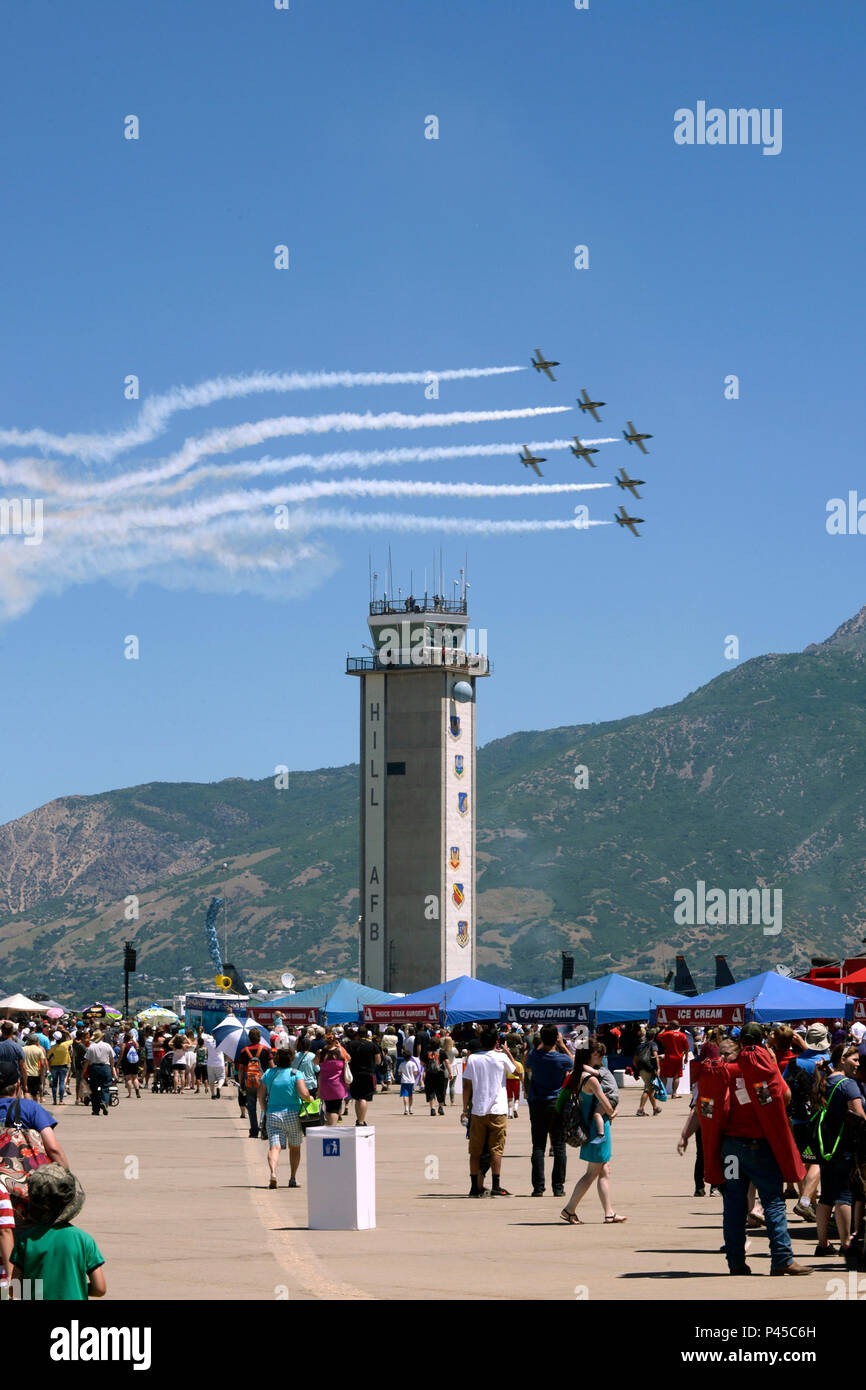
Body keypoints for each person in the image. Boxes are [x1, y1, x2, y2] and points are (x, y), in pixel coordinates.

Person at [715, 1024, 809, 1276]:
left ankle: (736, 1262)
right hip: (759, 1146)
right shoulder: (765, 1067)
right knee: (773, 1201)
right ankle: (782, 1258)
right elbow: (785, 1096)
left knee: (733, 1203)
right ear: (761, 1042)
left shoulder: (728, 1069)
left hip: (731, 1147)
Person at [11, 1163, 106, 1301]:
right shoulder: (83, 1239)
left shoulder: (26, 1240)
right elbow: (100, 1289)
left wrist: (38, 1291)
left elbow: (15, 1289)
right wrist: (74, 1287)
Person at [560, 1039, 624, 1225]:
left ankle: (609, 1213)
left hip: (588, 1126)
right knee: (592, 1173)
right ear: (593, 1055)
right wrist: (613, 1112)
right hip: (599, 1129)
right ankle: (569, 1209)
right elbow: (606, 1105)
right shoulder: (592, 1079)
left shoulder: (577, 1075)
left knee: (604, 1170)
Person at [813, 1045, 866, 1257]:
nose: (858, 1063)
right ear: (842, 1060)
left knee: (826, 1196)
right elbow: (860, 1116)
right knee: (844, 1195)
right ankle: (846, 1244)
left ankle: (822, 1243)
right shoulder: (849, 1085)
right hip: (844, 1146)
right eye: (854, 1059)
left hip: (825, 1147)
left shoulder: (825, 1080)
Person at [461, 1029, 517, 1197]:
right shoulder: (501, 1057)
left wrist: (465, 1109)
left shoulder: (472, 1058)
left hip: (478, 1109)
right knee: (496, 1149)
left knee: (475, 1150)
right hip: (498, 1110)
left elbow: (466, 1086)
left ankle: (474, 1187)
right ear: (496, 1042)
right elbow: (517, 1071)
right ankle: (496, 1185)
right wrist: (507, 1051)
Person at [524, 1024, 573, 1198]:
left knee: (538, 1145)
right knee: (559, 1145)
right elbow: (573, 1063)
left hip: (537, 1103)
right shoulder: (561, 1059)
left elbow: (528, 1066)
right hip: (556, 1104)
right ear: (556, 1038)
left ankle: (538, 1187)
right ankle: (558, 1187)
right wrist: (562, 1044)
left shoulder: (533, 1056)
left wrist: (542, 1044)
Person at [0, 1063, 70, 1171]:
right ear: (18, 1086)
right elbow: (52, 1148)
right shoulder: (30, 1107)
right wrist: (67, 1180)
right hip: (23, 1181)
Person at [259, 1048, 311, 1189]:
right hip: (292, 1114)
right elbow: (303, 1093)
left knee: (274, 1147)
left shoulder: (269, 1073)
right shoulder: (295, 1073)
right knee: (294, 1147)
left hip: (273, 1114)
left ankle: (273, 1173)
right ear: (291, 1059)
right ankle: (293, 1178)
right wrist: (310, 1097)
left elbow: (260, 1094)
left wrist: (265, 1109)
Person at [237, 1028, 272, 1138]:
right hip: (263, 1082)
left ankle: (254, 1131)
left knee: (251, 1107)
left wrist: (241, 1084)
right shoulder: (266, 1050)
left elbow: (241, 1070)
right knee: (265, 1105)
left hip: (250, 1082)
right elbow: (272, 1067)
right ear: (260, 1037)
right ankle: (265, 1129)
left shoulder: (244, 1051)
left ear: (249, 1038)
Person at [346, 1028, 381, 1126]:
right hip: (368, 1074)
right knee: (363, 1098)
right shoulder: (373, 1045)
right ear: (367, 1035)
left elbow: (346, 1058)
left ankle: (359, 1119)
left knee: (357, 1098)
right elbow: (378, 1061)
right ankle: (361, 1121)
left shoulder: (351, 1045)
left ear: (357, 1034)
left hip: (355, 1074)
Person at [82, 1031, 118, 1116]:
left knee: (94, 1089)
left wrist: (83, 1072)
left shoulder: (91, 1047)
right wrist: (112, 1068)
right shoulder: (107, 1045)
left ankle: (96, 1110)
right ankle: (104, 1102)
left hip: (94, 1068)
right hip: (105, 1068)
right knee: (105, 1087)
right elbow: (112, 1058)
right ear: (102, 1037)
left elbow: (87, 1061)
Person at [318, 1035, 349, 1125]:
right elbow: (349, 1058)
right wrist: (340, 1047)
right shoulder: (340, 1051)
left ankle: (330, 1126)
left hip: (325, 1084)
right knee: (334, 1109)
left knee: (328, 1107)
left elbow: (315, 1062)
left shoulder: (322, 1052)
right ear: (335, 1041)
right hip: (338, 1085)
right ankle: (333, 1128)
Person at [633, 1028, 662, 1116]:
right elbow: (655, 1056)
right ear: (653, 1037)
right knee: (648, 1089)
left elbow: (634, 1060)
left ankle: (655, 1108)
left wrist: (637, 1070)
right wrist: (658, 1068)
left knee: (650, 1089)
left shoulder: (640, 1046)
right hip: (649, 1069)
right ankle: (640, 1109)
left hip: (642, 1069)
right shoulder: (653, 1044)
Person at [657, 1020, 689, 1099]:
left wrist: (665, 1028)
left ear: (671, 1026)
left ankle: (663, 1093)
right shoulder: (682, 1035)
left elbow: (658, 1036)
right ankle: (674, 1093)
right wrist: (686, 1058)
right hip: (678, 1058)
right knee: (676, 1076)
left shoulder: (667, 1034)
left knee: (664, 1075)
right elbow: (686, 1048)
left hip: (668, 1057)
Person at [0, 1021, 27, 1090]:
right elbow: (23, 1067)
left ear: (2, 1031)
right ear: (12, 1032)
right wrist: (25, 1084)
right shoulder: (17, 1047)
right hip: (13, 1080)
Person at [47, 1033, 72, 1106]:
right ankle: (61, 1100)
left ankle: (54, 1100)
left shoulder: (53, 1047)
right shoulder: (65, 1045)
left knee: (54, 1084)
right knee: (61, 1083)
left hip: (54, 1066)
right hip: (63, 1066)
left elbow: (48, 1057)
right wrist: (67, 1033)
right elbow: (72, 1040)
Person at [424, 1042, 448, 1116]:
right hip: (440, 1073)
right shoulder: (442, 1052)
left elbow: (423, 1064)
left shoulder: (427, 1052)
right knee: (440, 1091)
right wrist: (450, 1072)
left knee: (430, 1091)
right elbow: (447, 1062)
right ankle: (440, 1107)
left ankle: (432, 1109)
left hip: (429, 1074)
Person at [22, 1036, 46, 1101]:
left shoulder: (23, 1049)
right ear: (36, 1041)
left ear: (28, 1041)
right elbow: (42, 1064)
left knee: (26, 1092)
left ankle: (27, 1107)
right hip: (35, 1074)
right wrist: (41, 1073)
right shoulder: (39, 1050)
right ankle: (35, 1107)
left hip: (25, 1074)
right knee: (35, 1093)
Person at [119, 1032, 141, 1100]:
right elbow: (138, 1048)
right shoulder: (135, 1044)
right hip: (135, 1061)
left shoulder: (124, 1044)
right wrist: (133, 1039)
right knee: (135, 1078)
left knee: (128, 1078)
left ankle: (130, 1094)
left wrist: (118, 1064)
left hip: (126, 1062)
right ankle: (137, 1091)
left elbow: (121, 1055)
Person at [203, 1032, 226, 1099]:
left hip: (210, 1063)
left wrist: (208, 1037)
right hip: (220, 1062)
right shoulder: (221, 1041)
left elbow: (202, 1038)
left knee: (211, 1080)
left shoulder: (208, 1041)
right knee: (221, 1077)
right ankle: (219, 1087)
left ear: (212, 1035)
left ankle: (213, 1094)